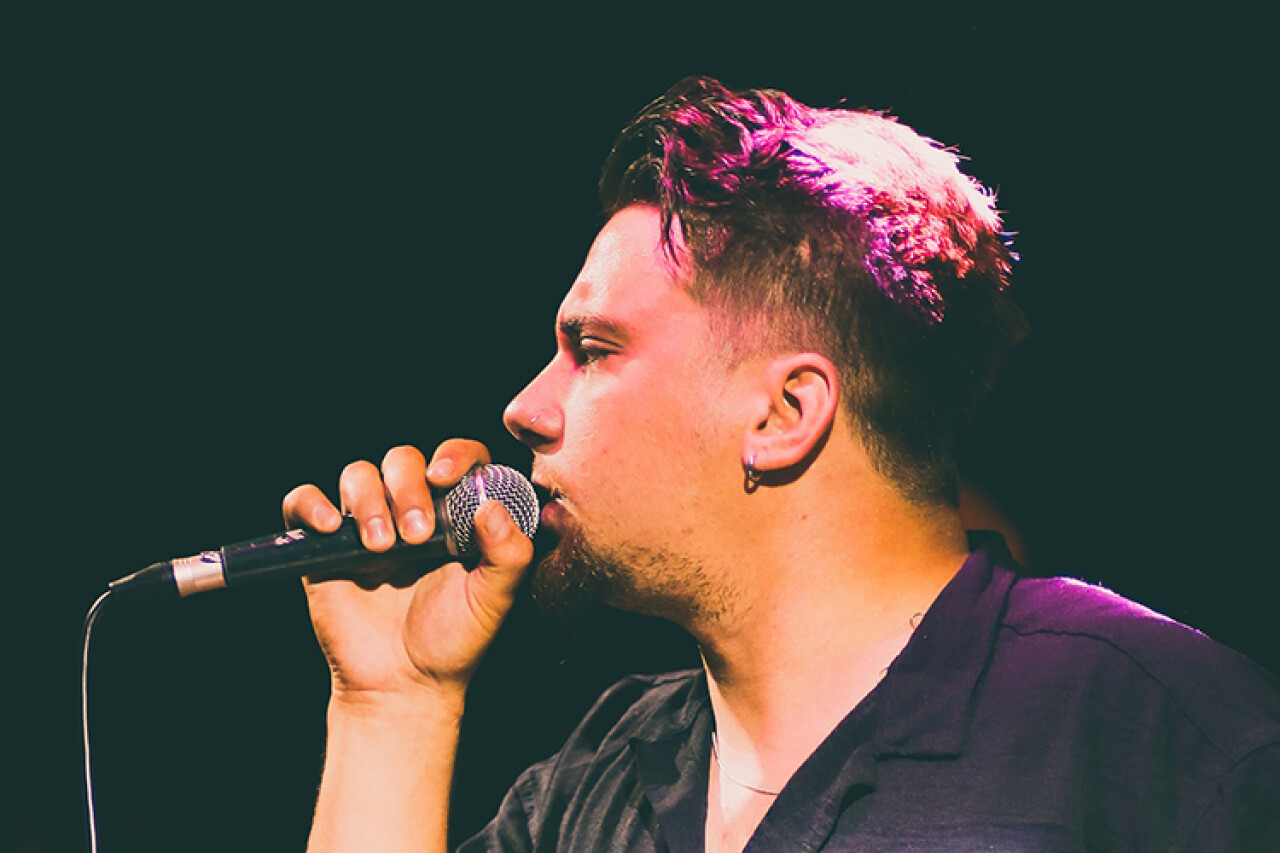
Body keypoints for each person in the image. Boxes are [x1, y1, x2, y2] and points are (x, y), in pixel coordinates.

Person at [284, 78, 1280, 851]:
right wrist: (392, 706)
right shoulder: (598, 780)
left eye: (591, 349)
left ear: (784, 412)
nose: (523, 409)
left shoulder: (1159, 736)